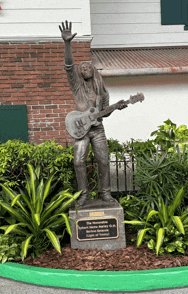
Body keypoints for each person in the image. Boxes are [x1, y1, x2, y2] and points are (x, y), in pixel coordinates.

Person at [59, 21, 126, 207]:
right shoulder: (77, 87)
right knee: (78, 162)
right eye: (82, 69)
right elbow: (69, 66)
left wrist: (115, 107)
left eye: (87, 67)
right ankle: (83, 195)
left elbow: (104, 114)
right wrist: (67, 44)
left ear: (94, 70)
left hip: (97, 130)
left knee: (103, 161)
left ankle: (105, 194)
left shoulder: (102, 93)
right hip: (81, 130)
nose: (83, 69)